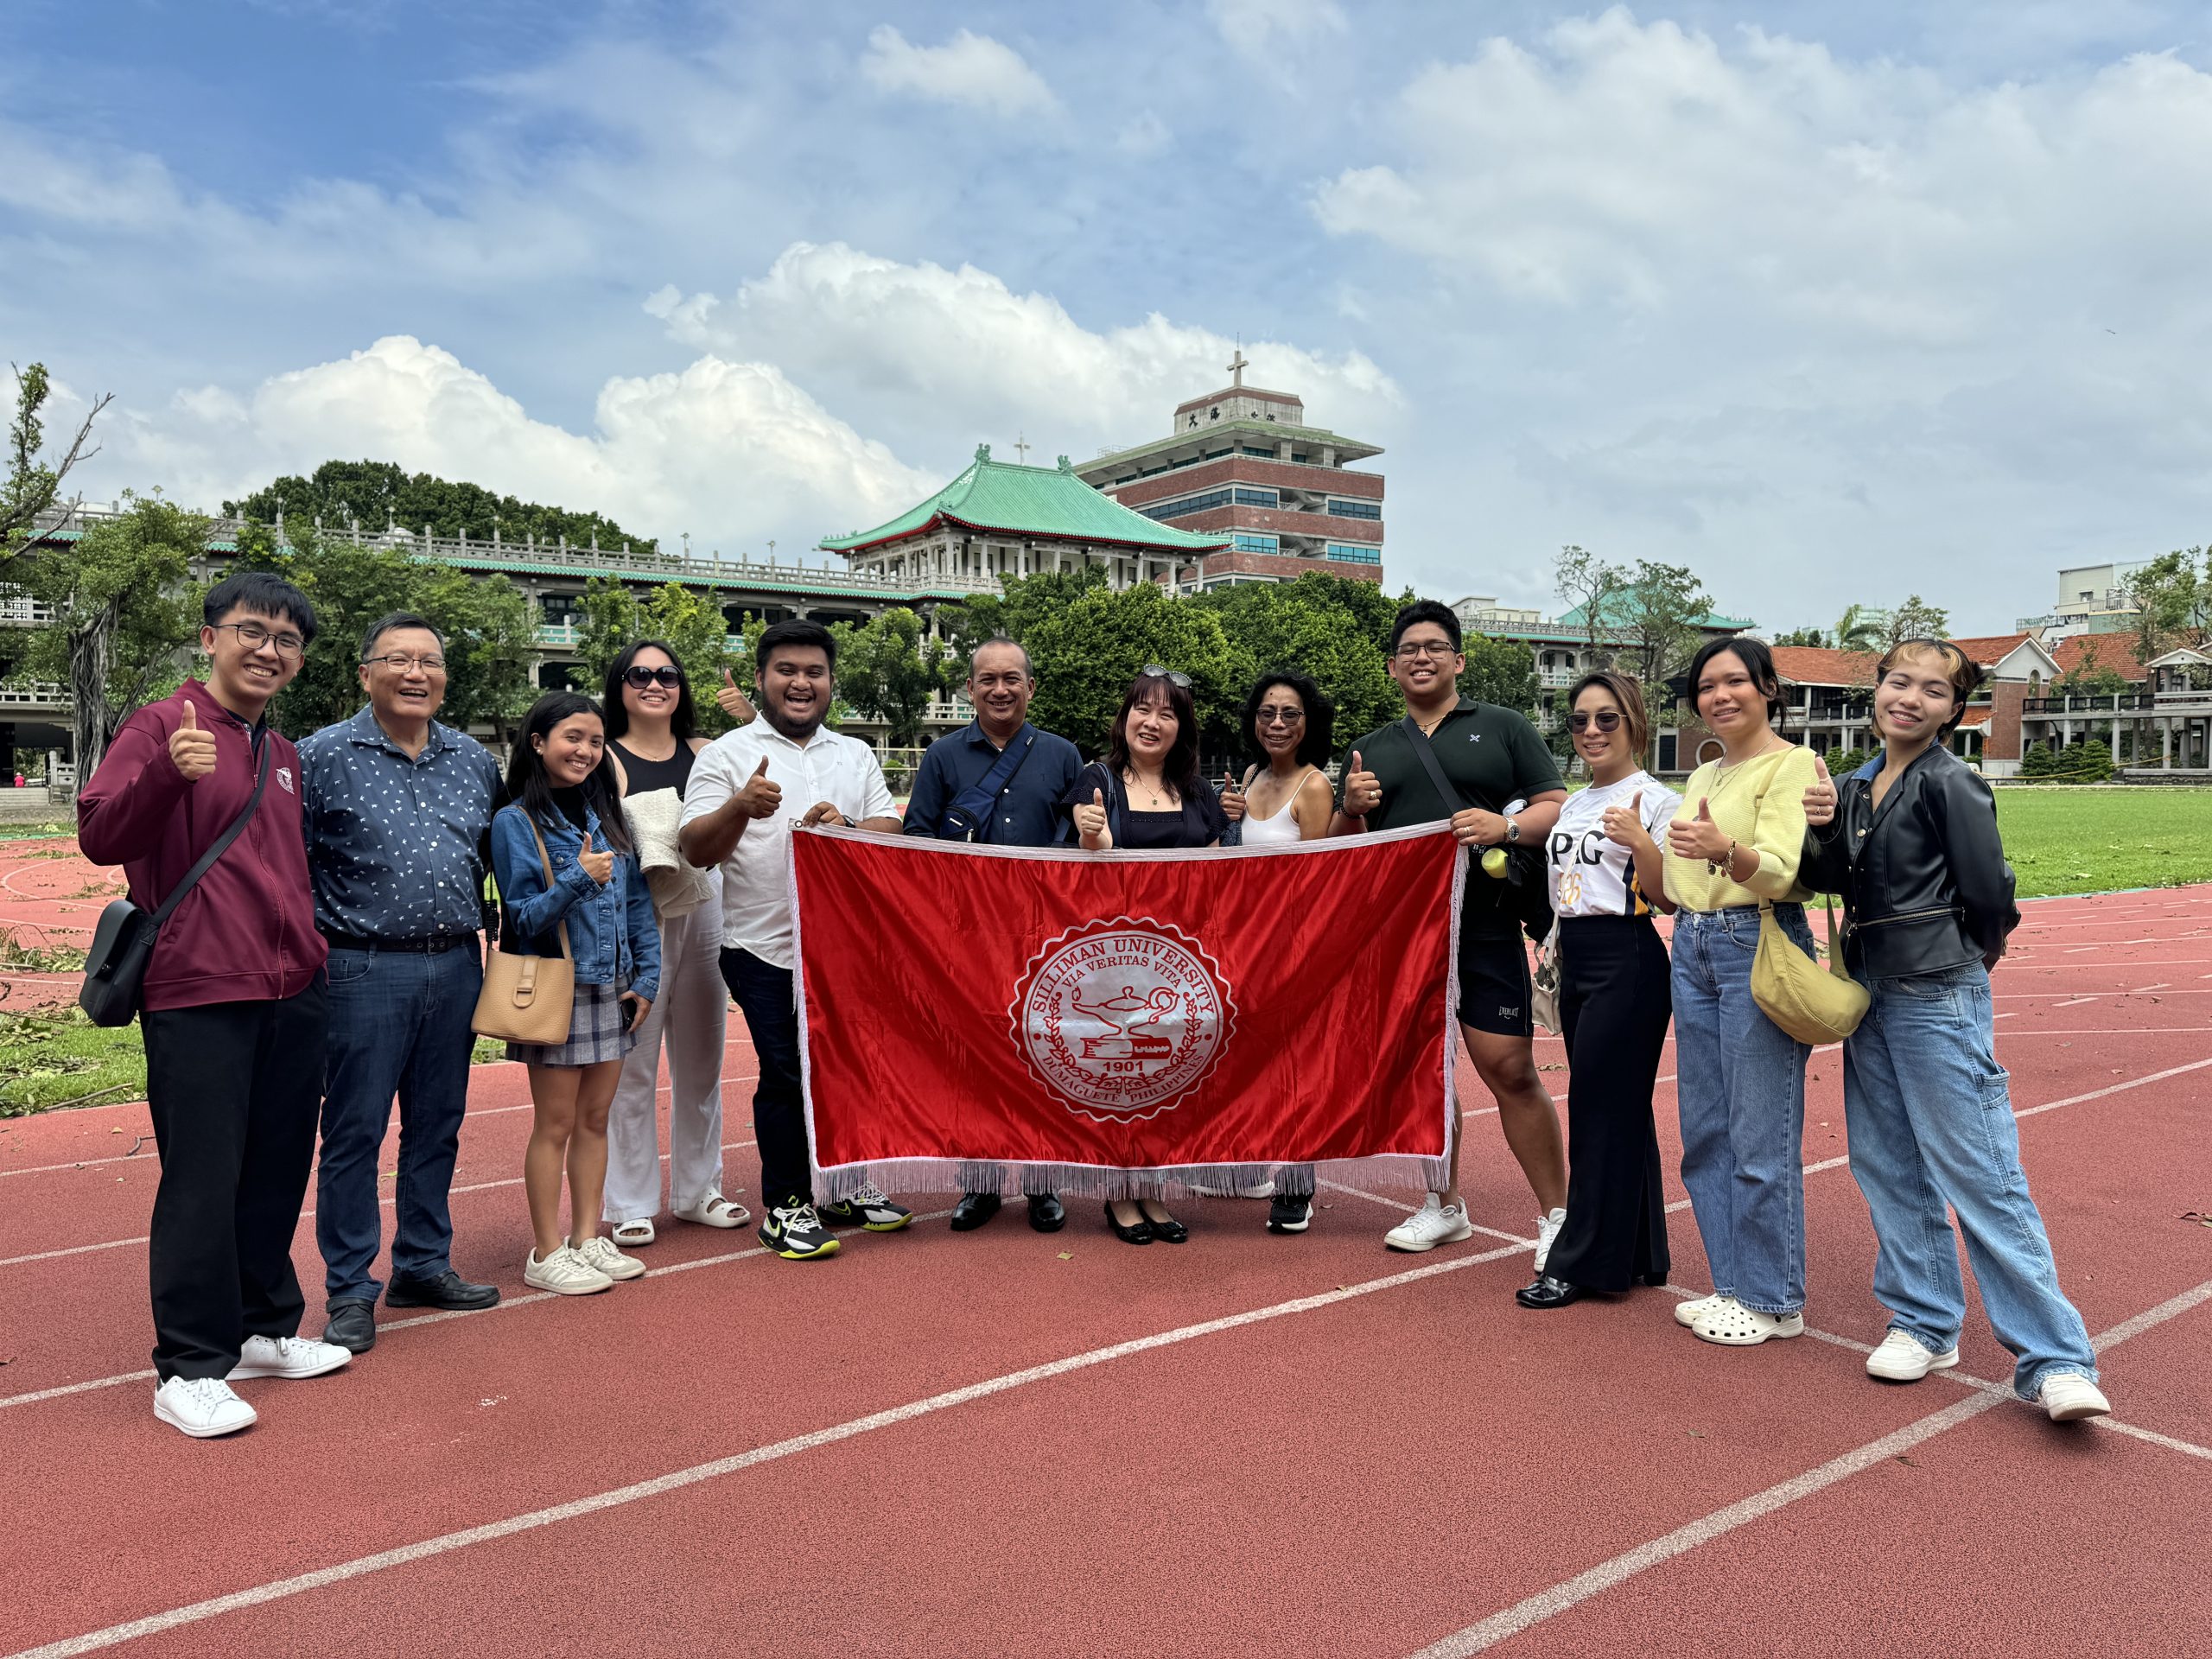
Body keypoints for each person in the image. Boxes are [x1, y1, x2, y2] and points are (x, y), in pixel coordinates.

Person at [1802, 639, 2111, 1421]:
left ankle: (2056, 1357)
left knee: (1980, 1173)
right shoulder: (1857, 782)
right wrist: (1821, 826)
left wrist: (1970, 956)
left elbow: (1989, 891)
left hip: (1936, 990)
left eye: (1933, 690)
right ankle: (1925, 1320)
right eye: (1898, 682)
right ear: (1876, 692)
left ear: (1954, 709)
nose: (1910, 698)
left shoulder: (1953, 781)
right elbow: (1827, 879)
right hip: (1869, 990)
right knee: (1885, 1162)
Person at [77, 571, 352, 1438]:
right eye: (251, 630)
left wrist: (312, 959)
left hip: (291, 989)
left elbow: (283, 869)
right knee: (203, 1177)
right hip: (199, 989)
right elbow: (98, 835)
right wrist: (164, 775)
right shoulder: (166, 725)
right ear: (210, 638)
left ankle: (263, 1326)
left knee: (276, 1168)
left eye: (286, 639)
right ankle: (190, 1366)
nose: (268, 649)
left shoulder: (281, 752)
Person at [1335, 601, 1570, 1265]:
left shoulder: (1503, 728)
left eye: (1436, 647)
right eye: (1409, 649)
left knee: (1510, 1068)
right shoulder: (1371, 748)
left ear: (1458, 660)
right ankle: (1443, 1204)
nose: (1422, 657)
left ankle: (1559, 1214)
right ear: (1391, 666)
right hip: (1405, 938)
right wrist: (1350, 811)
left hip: (1486, 927)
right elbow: (1345, 850)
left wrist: (1507, 827)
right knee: (1425, 1076)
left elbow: (1556, 805)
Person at [301, 613, 505, 1356]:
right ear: (365, 673)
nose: (416, 674)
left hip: (456, 962)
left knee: (437, 1123)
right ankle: (351, 1288)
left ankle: (423, 1263)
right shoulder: (322, 755)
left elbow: (501, 855)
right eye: (398, 660)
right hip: (360, 965)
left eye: (430, 661)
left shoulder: (474, 761)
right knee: (354, 1129)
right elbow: (290, 865)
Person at [679, 620, 909, 1261]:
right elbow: (694, 849)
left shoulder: (853, 754)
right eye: (787, 671)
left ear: (831, 683)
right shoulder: (725, 756)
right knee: (784, 1073)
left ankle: (840, 1183)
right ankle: (785, 1205)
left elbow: (890, 823)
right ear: (761, 679)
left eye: (814, 672)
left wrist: (852, 826)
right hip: (761, 946)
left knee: (842, 1068)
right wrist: (738, 809)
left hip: (843, 948)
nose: (801, 683)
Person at [1660, 636, 1822, 1347]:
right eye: (1706, 687)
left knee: (1760, 1130)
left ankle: (1773, 1297)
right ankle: (1733, 1285)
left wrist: (1724, 850)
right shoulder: (1703, 775)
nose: (1720, 696)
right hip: (1693, 942)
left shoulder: (1792, 768)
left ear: (1767, 689)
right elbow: (1677, 883)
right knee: (1705, 1129)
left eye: (1735, 682)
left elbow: (1787, 874)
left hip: (1755, 938)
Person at [903, 635, 1083, 1235]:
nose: (1000, 690)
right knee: (971, 1061)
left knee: (1042, 1058)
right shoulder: (942, 758)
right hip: (965, 938)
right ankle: (979, 1184)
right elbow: (917, 843)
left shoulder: (1062, 756)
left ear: (1032, 687)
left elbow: (1080, 848)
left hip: (1043, 937)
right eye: (987, 680)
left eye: (1012, 679)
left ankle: (1042, 1182)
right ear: (970, 689)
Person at [491, 692, 662, 1295]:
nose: (585, 751)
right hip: (560, 989)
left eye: (594, 741)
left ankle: (590, 1237)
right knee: (555, 1124)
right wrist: (576, 879)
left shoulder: (606, 817)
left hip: (612, 990)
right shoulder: (516, 822)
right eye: (572, 738)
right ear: (537, 742)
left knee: (595, 1119)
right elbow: (521, 918)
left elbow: (640, 906)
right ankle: (545, 1251)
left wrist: (647, 978)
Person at [1516, 674, 1678, 1309]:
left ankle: (1581, 1262)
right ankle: (1638, 1252)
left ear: (1634, 722)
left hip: (1628, 954)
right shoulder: (1577, 802)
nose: (1591, 732)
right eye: (1580, 720)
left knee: (1596, 1111)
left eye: (1606, 719)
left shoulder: (1657, 799)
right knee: (1620, 1110)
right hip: (1578, 957)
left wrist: (1642, 845)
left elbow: (1669, 897)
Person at [1067, 666, 1229, 1245]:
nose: (1152, 721)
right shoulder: (1097, 780)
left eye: (1167, 712)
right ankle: (1119, 1192)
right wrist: (1092, 837)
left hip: (1181, 963)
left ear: (1182, 726)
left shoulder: (1200, 792)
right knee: (1117, 1075)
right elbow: (1090, 862)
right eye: (1143, 708)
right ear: (1125, 716)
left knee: (1165, 1077)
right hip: (1114, 960)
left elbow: (1218, 876)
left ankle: (1154, 1186)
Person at [600, 641, 745, 1249]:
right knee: (634, 1063)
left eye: (667, 675)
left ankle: (698, 1189)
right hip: (640, 913)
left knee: (703, 1058)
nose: (654, 684)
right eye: (640, 674)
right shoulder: (604, 755)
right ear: (620, 685)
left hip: (707, 903)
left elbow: (773, 763)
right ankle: (630, 1201)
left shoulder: (707, 750)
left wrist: (746, 718)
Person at [1219, 671, 1338, 1236]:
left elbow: (1318, 882)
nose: (1277, 723)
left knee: (1296, 1067)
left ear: (1307, 723)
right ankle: (1251, 1165)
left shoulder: (1313, 787)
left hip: (1293, 948)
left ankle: (1296, 1185)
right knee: (1253, 1061)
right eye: (1267, 712)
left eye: (1290, 714)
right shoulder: (1251, 775)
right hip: (1249, 945)